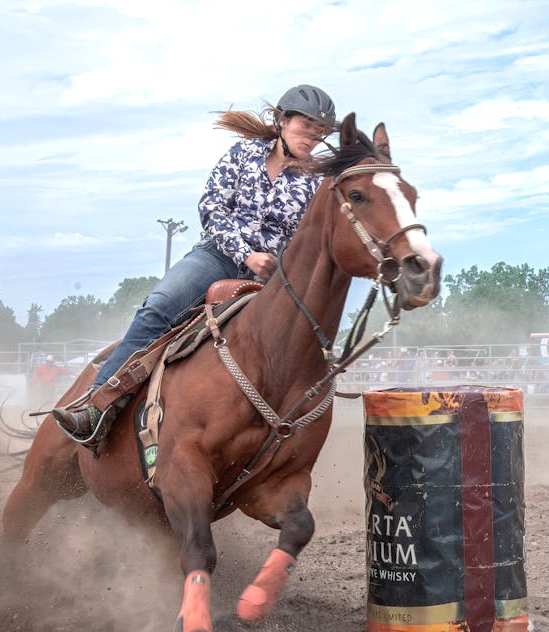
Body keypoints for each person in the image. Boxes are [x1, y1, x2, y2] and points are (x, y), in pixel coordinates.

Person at [53, 85, 337, 442]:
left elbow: (310, 238)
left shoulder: (316, 181)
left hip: (273, 275)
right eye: (306, 126)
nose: (312, 137)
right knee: (158, 308)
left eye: (320, 131)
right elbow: (213, 207)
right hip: (217, 256)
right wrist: (245, 253)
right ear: (282, 120)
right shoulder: (242, 154)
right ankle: (98, 404)